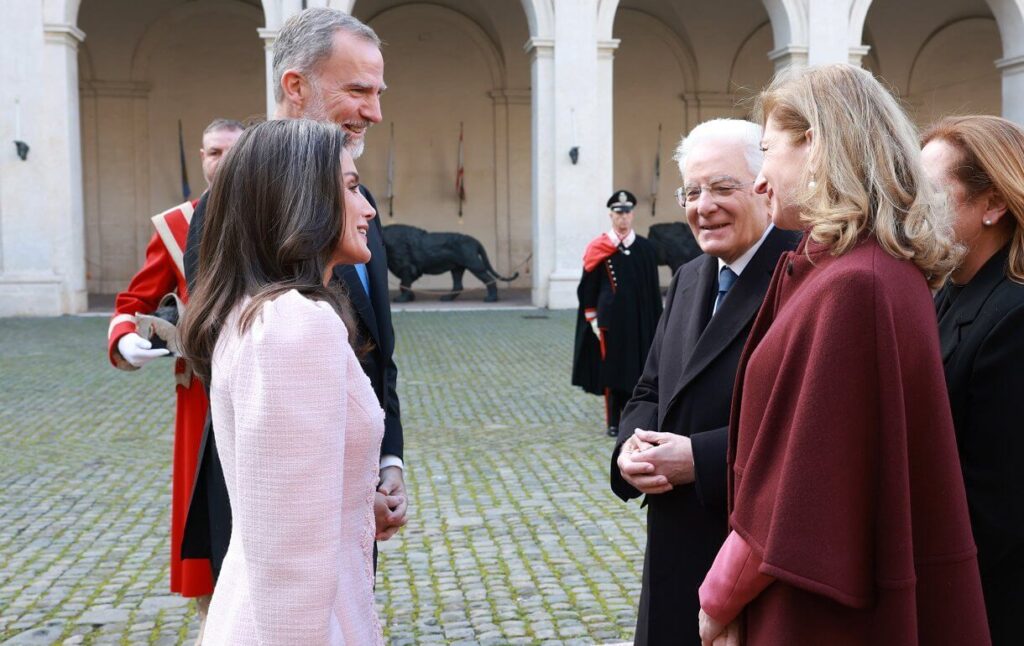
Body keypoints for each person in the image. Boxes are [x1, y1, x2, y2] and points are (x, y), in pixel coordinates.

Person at [697, 64, 991, 645]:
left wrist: (718, 597)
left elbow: (800, 486)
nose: (759, 182)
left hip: (817, 609)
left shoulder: (854, 284)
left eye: (767, 151)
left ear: (817, 144)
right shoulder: (862, 271)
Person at [181, 8, 407, 581]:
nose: (375, 112)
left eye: (378, 92)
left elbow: (379, 349)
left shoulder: (356, 198)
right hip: (274, 513)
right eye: (358, 89)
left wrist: (385, 459)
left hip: (351, 492)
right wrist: (347, 492)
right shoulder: (233, 201)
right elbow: (228, 358)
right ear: (296, 85)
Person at [180, 118, 383, 644]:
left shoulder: (256, 311)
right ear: (300, 199)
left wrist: (359, 502)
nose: (369, 210)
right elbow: (291, 557)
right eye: (352, 187)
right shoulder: (294, 324)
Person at [610, 119, 798, 646]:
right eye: (692, 191)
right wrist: (631, 449)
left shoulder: (801, 274)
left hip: (746, 551)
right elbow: (650, 389)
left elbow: (806, 429)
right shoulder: (693, 273)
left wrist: (700, 458)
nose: (702, 206)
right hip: (673, 549)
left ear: (764, 188)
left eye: (721, 188)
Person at [106, 117, 243, 637]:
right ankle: (216, 622)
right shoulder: (174, 225)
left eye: (232, 151)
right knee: (205, 511)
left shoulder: (272, 215)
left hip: (268, 381)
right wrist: (125, 339)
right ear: (203, 157)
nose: (221, 162)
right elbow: (133, 301)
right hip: (199, 394)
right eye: (212, 152)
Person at [921, 115, 1024, 645]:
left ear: (993, 205)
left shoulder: (1013, 312)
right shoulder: (952, 289)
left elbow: (997, 499)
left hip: (990, 601)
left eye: (931, 192)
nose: (914, 206)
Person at [572, 189, 662, 437]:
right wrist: (591, 316)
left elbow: (653, 290)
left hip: (638, 320)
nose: (623, 218)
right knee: (611, 371)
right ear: (611, 216)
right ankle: (613, 421)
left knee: (638, 369)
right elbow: (588, 286)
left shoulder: (645, 248)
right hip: (609, 322)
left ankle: (636, 417)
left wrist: (657, 322)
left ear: (632, 216)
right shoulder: (599, 248)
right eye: (618, 213)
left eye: (627, 213)